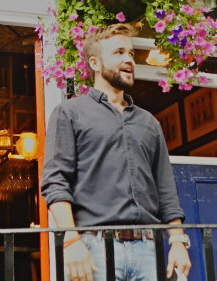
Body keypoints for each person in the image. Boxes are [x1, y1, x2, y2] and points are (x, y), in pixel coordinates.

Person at [40, 23, 192, 281]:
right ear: (95, 63)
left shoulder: (149, 123)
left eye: (131, 54)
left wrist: (178, 242)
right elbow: (55, 181)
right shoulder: (69, 113)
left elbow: (165, 189)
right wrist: (71, 239)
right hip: (94, 248)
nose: (129, 59)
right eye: (119, 52)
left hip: (148, 249)